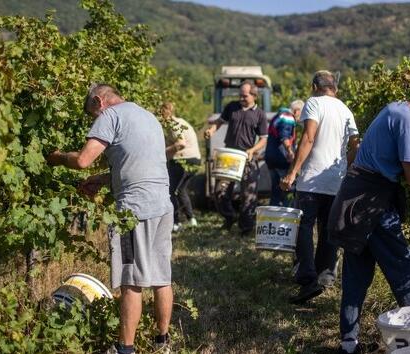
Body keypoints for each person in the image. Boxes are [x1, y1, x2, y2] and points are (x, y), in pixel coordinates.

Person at [328, 80, 410, 354]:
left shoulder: (397, 109)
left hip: (357, 200)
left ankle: (348, 344)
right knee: (408, 271)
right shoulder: (406, 121)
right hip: (372, 205)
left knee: (357, 273)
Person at [46, 84, 174, 354]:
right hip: (162, 205)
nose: (95, 121)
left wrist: (57, 158)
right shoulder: (147, 116)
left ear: (98, 101)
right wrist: (102, 180)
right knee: (161, 277)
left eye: (92, 115)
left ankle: (124, 349)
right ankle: (163, 343)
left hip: (133, 212)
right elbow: (137, 168)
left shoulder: (109, 116)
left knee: (131, 281)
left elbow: (83, 160)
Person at [280, 70, 360, 304]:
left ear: (315, 86)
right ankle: (324, 275)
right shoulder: (346, 110)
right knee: (327, 229)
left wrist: (293, 172)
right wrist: (345, 170)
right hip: (335, 180)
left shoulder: (313, 103)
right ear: (335, 88)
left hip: (312, 179)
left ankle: (307, 279)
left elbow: (309, 137)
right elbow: (355, 145)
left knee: (303, 228)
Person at [204, 80, 268, 235]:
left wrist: (252, 150)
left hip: (247, 157)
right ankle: (230, 217)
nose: (241, 98)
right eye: (240, 95)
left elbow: (263, 139)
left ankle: (246, 227)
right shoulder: (231, 107)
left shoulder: (260, 114)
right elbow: (219, 122)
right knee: (220, 192)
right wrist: (212, 130)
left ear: (254, 96)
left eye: (244, 96)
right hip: (229, 157)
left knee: (249, 195)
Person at [160, 102, 201, 232]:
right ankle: (191, 220)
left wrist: (162, 151)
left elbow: (181, 143)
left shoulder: (172, 124)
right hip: (195, 159)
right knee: (181, 190)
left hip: (183, 159)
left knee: (171, 191)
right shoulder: (180, 121)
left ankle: (175, 223)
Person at [265, 99, 304, 207]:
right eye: (302, 113)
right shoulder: (288, 117)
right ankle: (287, 217)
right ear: (296, 111)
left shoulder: (279, 115)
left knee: (276, 191)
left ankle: (272, 219)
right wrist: (291, 152)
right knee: (288, 189)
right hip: (281, 158)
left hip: (271, 158)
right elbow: (285, 137)